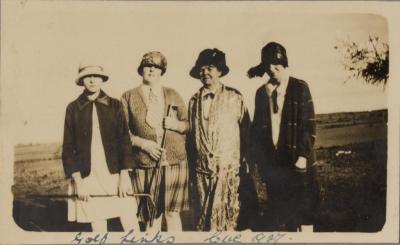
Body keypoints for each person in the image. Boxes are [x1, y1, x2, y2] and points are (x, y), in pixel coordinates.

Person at [248, 42, 319, 232]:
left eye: (275, 64)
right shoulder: (262, 93)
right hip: (275, 163)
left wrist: (303, 157)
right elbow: (257, 130)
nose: (271, 69)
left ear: (284, 63)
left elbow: (309, 125)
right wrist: (259, 161)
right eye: (267, 65)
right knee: (283, 213)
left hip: (298, 161)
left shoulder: (300, 87)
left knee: (304, 212)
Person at [62, 64, 139, 232]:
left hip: (115, 173)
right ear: (81, 80)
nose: (92, 80)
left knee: (128, 217)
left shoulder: (115, 105)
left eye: (96, 76)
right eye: (87, 76)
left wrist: (124, 176)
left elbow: (124, 141)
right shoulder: (73, 108)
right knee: (97, 221)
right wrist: (79, 182)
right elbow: (68, 148)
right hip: (87, 176)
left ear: (102, 79)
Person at [121, 51, 189, 232]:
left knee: (172, 213)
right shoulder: (128, 97)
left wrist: (176, 125)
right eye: (147, 66)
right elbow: (122, 133)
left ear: (162, 71)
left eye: (156, 67)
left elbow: (189, 124)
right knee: (151, 215)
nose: (151, 69)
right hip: (144, 163)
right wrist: (144, 145)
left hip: (175, 161)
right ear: (141, 70)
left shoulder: (173, 94)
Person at [187, 48, 251, 231]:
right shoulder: (193, 101)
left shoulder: (235, 97)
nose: (205, 72)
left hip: (228, 170)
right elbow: (191, 137)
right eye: (202, 69)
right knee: (204, 220)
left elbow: (246, 131)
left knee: (229, 217)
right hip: (202, 172)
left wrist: (245, 160)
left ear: (220, 71)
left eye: (210, 68)